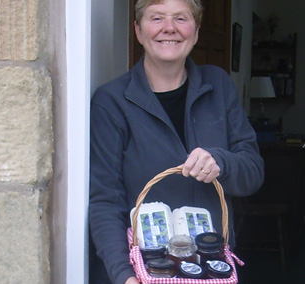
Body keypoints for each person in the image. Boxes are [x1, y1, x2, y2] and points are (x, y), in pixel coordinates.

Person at [88, 0, 264, 283]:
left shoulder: (218, 86)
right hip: (145, 270)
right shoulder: (111, 102)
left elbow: (253, 172)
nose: (169, 28)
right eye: (156, 18)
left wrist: (222, 162)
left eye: (181, 18)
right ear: (138, 30)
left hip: (210, 267)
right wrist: (124, 276)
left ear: (195, 32)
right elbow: (104, 201)